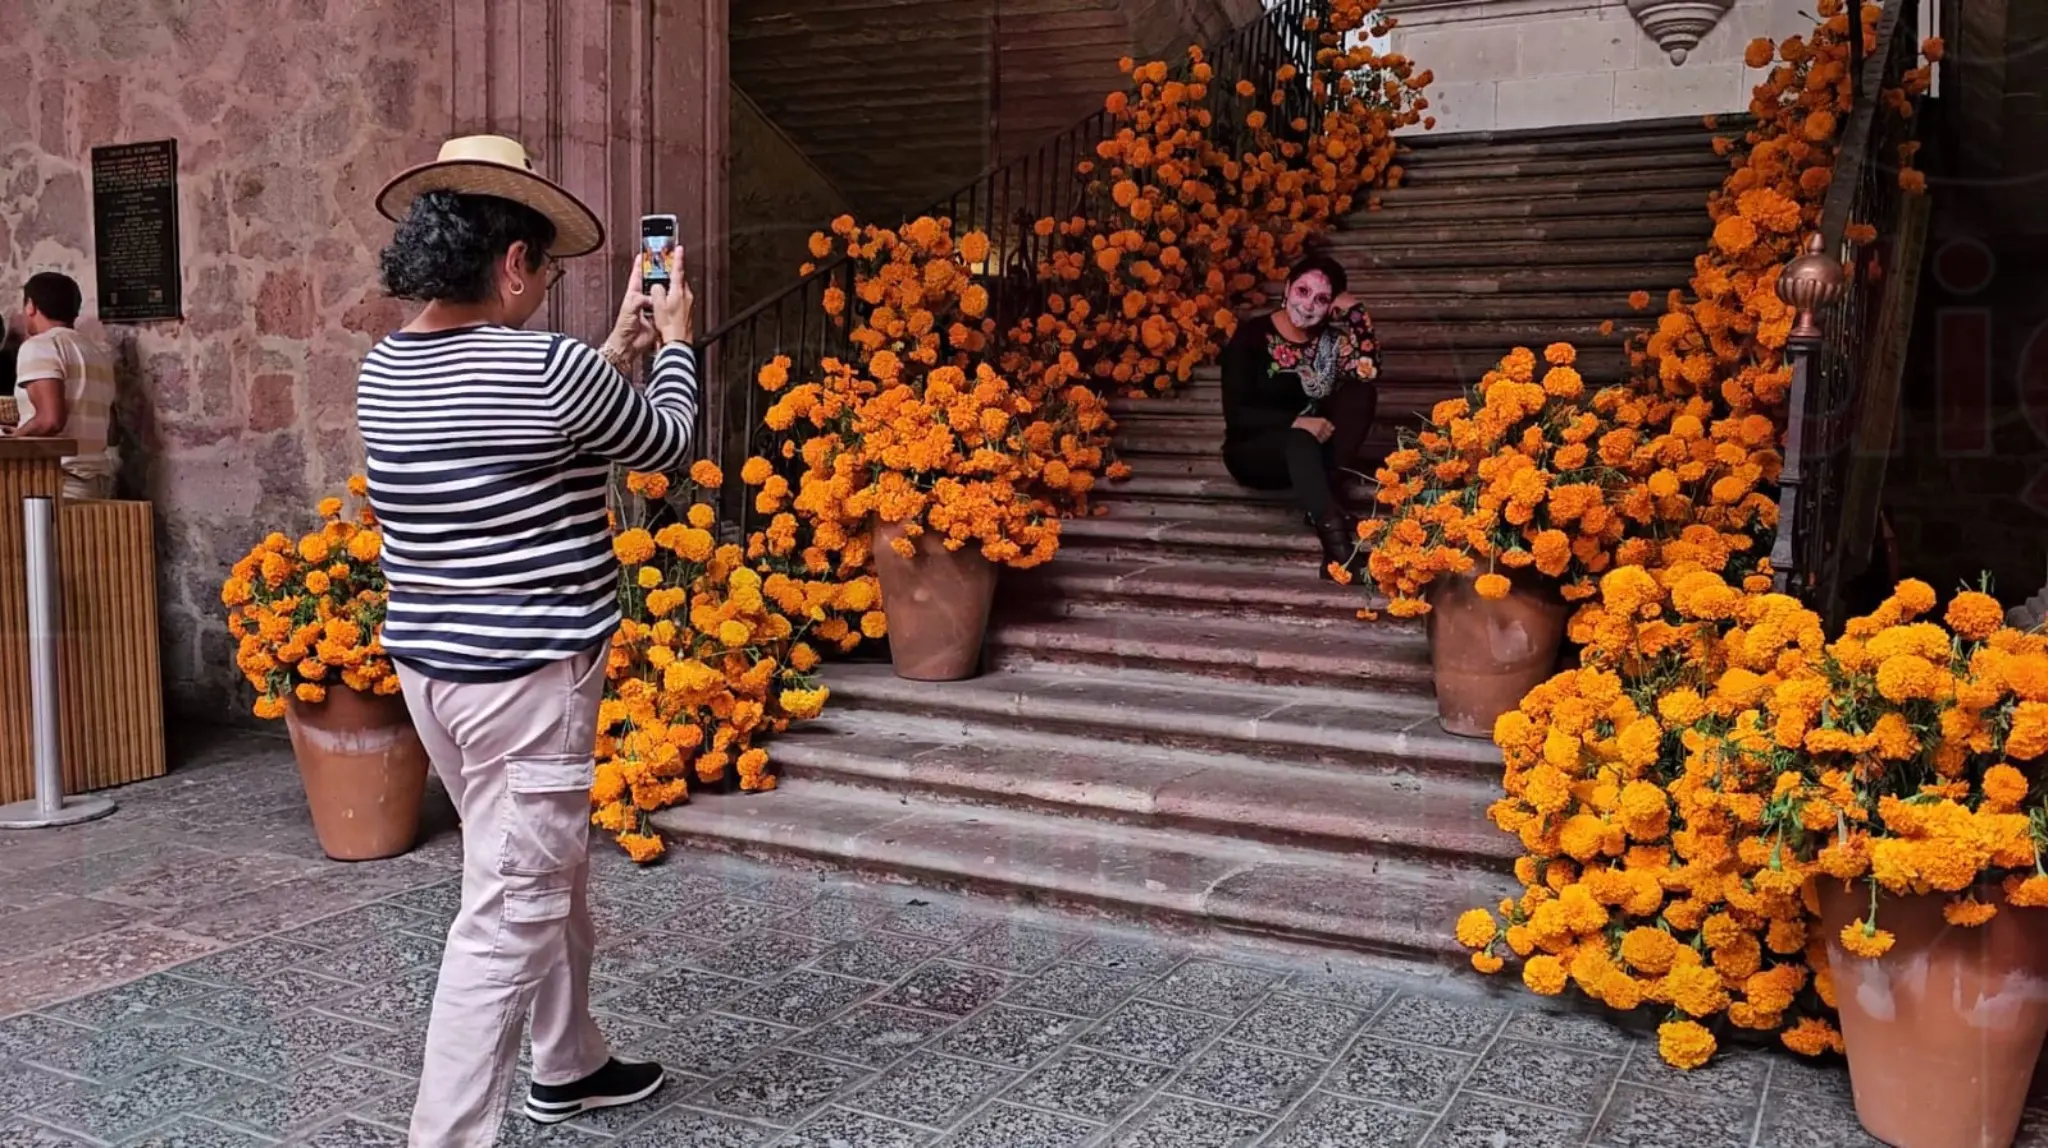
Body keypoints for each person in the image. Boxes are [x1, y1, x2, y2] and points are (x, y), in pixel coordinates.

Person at [360, 134, 699, 1147]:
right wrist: (672, 341)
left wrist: (612, 353)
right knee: (508, 908)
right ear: (511, 262)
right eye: (545, 266)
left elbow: (516, 428)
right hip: (528, 676)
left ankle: (570, 1060)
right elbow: (667, 446)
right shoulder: (544, 368)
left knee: (531, 867)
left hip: (435, 674)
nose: (545, 284)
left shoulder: (384, 369)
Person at [1220, 252, 1381, 578]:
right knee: (1300, 438)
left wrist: (1357, 316)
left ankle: (1322, 493)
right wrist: (1295, 422)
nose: (1308, 306)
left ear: (1331, 307)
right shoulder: (1251, 336)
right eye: (1303, 292)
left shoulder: (1332, 342)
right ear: (1288, 287)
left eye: (1321, 299)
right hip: (1256, 452)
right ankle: (1337, 549)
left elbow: (1368, 372)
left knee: (1360, 393)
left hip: (1311, 455)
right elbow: (1236, 414)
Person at [12, 272, 117, 500]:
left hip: (56, 480)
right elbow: (109, 428)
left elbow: (51, 420)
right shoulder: (95, 352)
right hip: (95, 479)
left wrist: (13, 441)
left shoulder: (40, 346)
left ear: (31, 305)